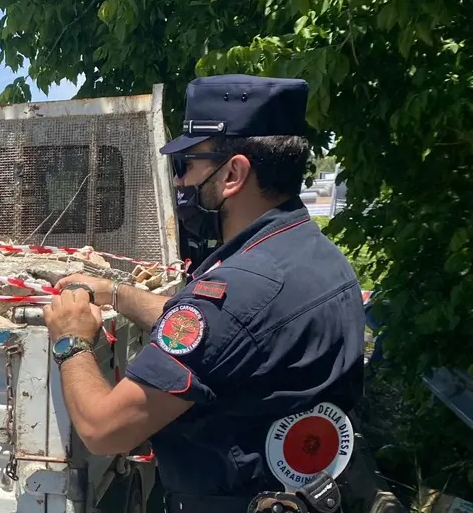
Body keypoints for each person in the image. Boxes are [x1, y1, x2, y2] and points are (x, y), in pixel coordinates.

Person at [45, 74, 365, 512]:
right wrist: (115, 293)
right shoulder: (308, 253)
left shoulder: (243, 288)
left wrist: (71, 340)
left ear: (233, 173)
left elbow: (105, 431)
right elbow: (220, 333)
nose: (180, 185)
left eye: (186, 166)